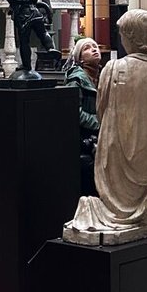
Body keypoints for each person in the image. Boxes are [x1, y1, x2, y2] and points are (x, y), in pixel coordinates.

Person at [64, 10, 147, 236]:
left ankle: (118, 211)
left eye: (123, 34)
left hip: (115, 164)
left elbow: (101, 112)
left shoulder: (112, 69)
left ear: (131, 37)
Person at [64, 37, 102, 195]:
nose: (94, 49)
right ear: (80, 58)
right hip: (84, 139)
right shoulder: (76, 79)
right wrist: (99, 123)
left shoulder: (102, 77)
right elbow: (73, 112)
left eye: (95, 46)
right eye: (87, 48)